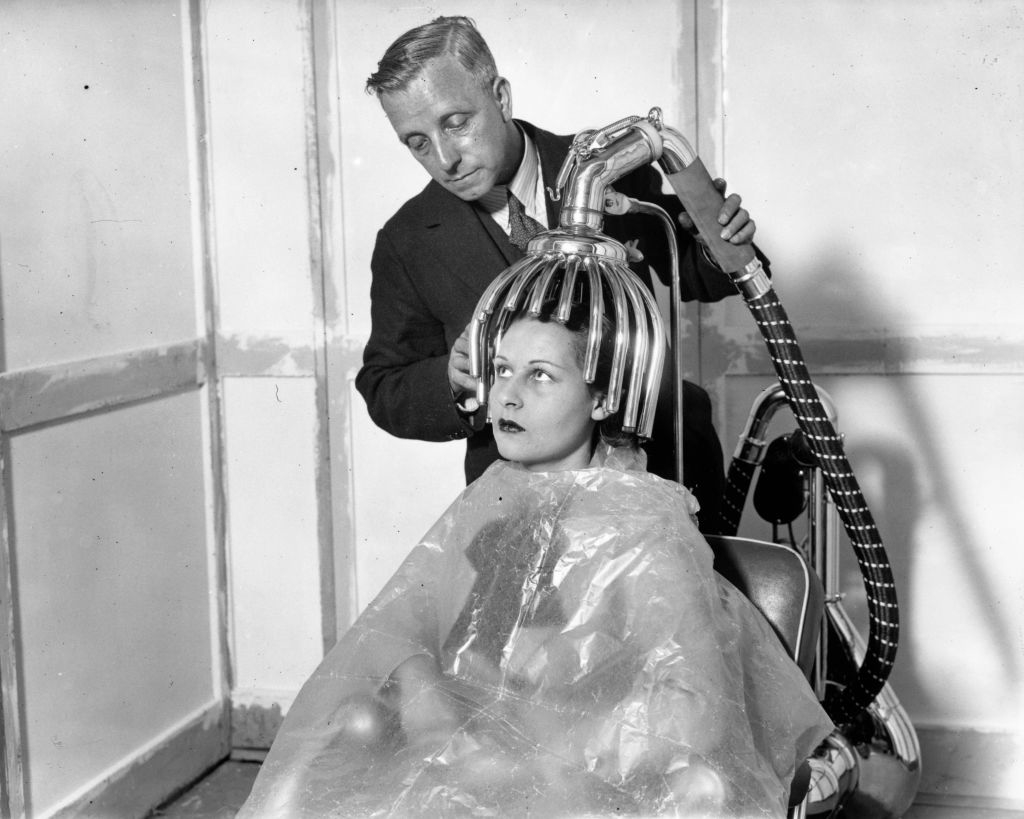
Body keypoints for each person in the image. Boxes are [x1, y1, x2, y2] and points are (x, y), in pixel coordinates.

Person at [239, 273, 833, 818]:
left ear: (601, 399)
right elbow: (396, 623)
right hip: (473, 753)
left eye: (540, 375)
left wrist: (554, 745)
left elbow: (696, 707)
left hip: (586, 778)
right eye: (500, 370)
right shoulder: (496, 495)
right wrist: (422, 690)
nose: (507, 396)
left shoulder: (640, 525)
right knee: (349, 736)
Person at [354, 15, 766, 529]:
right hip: (519, 509)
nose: (444, 159)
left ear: (501, 97)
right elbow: (383, 384)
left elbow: (707, 275)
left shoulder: (613, 167)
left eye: (456, 122)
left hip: (663, 475)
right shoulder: (407, 240)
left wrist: (719, 238)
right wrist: (452, 380)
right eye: (417, 142)